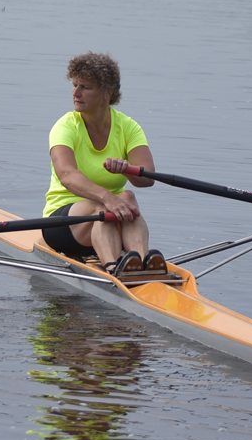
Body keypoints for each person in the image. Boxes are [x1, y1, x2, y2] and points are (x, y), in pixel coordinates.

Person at [44, 51, 165, 276]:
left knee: (127, 197)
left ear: (108, 92)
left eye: (85, 87)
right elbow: (67, 175)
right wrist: (107, 197)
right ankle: (112, 269)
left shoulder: (129, 128)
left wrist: (128, 170)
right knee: (106, 205)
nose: (76, 93)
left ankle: (141, 264)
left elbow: (148, 177)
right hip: (62, 223)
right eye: (74, 85)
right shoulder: (65, 126)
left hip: (111, 218)